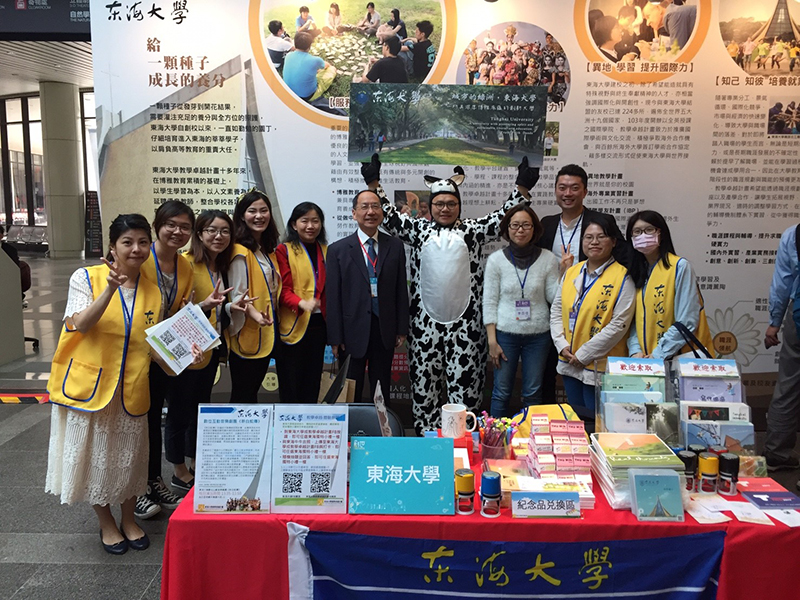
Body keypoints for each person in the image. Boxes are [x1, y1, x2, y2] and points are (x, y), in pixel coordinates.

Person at [45, 214, 198, 555]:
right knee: (98, 457)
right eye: (127, 242)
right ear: (112, 247)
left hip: (132, 389)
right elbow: (79, 325)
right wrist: (111, 290)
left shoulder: (152, 290)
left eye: (143, 242)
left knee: (131, 459)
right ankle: (107, 523)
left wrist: (184, 354)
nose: (137, 249)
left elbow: (153, 349)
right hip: (93, 388)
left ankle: (130, 519)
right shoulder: (86, 278)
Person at [361, 153, 540, 432]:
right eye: (439, 203)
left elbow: (502, 218)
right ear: (430, 206)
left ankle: (462, 446)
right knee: (423, 389)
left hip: (466, 328)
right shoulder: (417, 230)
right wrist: (373, 183)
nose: (445, 208)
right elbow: (390, 218)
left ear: (459, 205)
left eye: (451, 203)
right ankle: (427, 442)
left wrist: (522, 189)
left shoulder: (473, 231)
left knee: (465, 392)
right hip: (423, 327)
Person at [166, 211, 236, 492]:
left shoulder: (220, 265)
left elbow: (218, 307)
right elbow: (175, 311)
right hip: (184, 350)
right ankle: (177, 469)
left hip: (208, 348)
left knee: (199, 408)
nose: (218, 237)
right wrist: (205, 306)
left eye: (224, 231)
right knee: (179, 411)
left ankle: (195, 461)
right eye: (211, 230)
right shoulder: (184, 264)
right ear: (199, 234)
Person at [136, 201, 195, 519]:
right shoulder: (141, 259)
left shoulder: (185, 265)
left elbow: (179, 311)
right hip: (139, 354)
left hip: (168, 354)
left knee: (161, 416)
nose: (178, 232)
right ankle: (137, 487)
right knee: (141, 421)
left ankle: (154, 480)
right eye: (171, 224)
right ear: (157, 225)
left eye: (185, 227)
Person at [326, 189, 409, 404]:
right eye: (364, 207)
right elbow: (333, 297)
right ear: (354, 213)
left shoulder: (395, 246)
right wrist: (335, 337)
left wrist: (401, 328)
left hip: (384, 328)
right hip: (351, 330)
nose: (370, 211)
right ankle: (353, 433)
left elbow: (400, 288)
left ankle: (382, 433)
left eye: (375, 206)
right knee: (351, 387)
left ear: (382, 212)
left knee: (382, 387)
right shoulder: (338, 250)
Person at [550, 213, 634, 412]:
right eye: (588, 237)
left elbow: (618, 325)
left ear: (613, 241)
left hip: (598, 365)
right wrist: (561, 345)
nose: (594, 242)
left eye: (601, 237)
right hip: (569, 360)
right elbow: (556, 310)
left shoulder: (623, 278)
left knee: (596, 419)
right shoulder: (572, 271)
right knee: (575, 417)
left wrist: (584, 354)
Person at [483, 205, 559, 417]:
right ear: (507, 229)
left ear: (535, 229)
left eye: (526, 225)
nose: (520, 230)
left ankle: (530, 442)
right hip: (505, 335)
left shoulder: (548, 259)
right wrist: (492, 341)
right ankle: (496, 440)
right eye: (515, 225)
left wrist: (567, 274)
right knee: (501, 392)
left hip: (539, 337)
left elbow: (554, 297)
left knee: (533, 393)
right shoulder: (496, 260)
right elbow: (489, 301)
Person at [625, 210, 714, 360]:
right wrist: (635, 350)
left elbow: (687, 320)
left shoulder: (679, 266)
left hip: (678, 358)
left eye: (649, 230)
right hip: (645, 360)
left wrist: (659, 354)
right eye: (637, 232)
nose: (643, 235)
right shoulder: (636, 273)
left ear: (661, 232)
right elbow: (634, 320)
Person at [227, 190, 282, 404]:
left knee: (250, 395)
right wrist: (257, 317)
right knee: (244, 395)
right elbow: (239, 295)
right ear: (241, 216)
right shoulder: (239, 251)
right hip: (248, 332)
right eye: (252, 211)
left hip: (267, 329)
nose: (259, 216)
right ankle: (239, 437)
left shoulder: (266, 250)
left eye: (264, 211)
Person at [275, 202, 328, 403]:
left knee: (312, 384)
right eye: (304, 221)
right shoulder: (284, 250)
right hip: (292, 327)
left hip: (318, 328)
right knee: (291, 386)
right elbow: (283, 290)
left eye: (315, 221)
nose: (310, 226)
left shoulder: (327, 251)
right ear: (294, 224)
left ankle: (307, 430)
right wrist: (301, 303)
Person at [763, 224, 800, 476]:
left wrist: (775, 322)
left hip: (797, 317)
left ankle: (776, 452)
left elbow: (782, 282)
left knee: (788, 385)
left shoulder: (793, 233)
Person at [282, 31, 337, 102]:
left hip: (288, 92)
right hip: (307, 96)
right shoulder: (315, 60)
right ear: (309, 46)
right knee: (332, 69)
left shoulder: (288, 55)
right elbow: (326, 65)